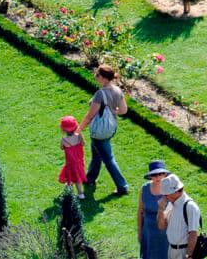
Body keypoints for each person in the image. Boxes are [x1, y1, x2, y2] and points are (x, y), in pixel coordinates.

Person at [78, 64, 129, 196]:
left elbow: (90, 116)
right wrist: (112, 112)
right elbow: (123, 110)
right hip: (110, 128)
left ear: (105, 78)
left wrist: (78, 130)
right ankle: (90, 179)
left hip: (99, 131)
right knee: (97, 154)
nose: (95, 77)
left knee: (108, 158)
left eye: (98, 75)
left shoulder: (100, 94)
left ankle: (122, 186)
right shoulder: (117, 90)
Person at [156, 174, 200, 259]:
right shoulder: (171, 204)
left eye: (167, 194)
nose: (165, 196)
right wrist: (161, 209)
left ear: (176, 191)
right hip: (171, 250)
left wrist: (188, 255)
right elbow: (161, 226)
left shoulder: (190, 206)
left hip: (184, 251)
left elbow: (193, 233)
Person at [138, 160, 170, 259]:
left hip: (165, 234)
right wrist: (139, 232)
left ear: (165, 174)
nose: (158, 177)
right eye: (155, 174)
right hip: (148, 232)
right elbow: (140, 212)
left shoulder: (171, 189)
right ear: (150, 176)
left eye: (161, 173)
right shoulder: (144, 189)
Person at [58, 115, 86, 199]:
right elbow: (83, 143)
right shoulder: (79, 136)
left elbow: (62, 148)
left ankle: (73, 192)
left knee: (70, 176)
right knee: (78, 178)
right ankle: (80, 193)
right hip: (79, 162)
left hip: (70, 163)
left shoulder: (64, 140)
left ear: (63, 129)